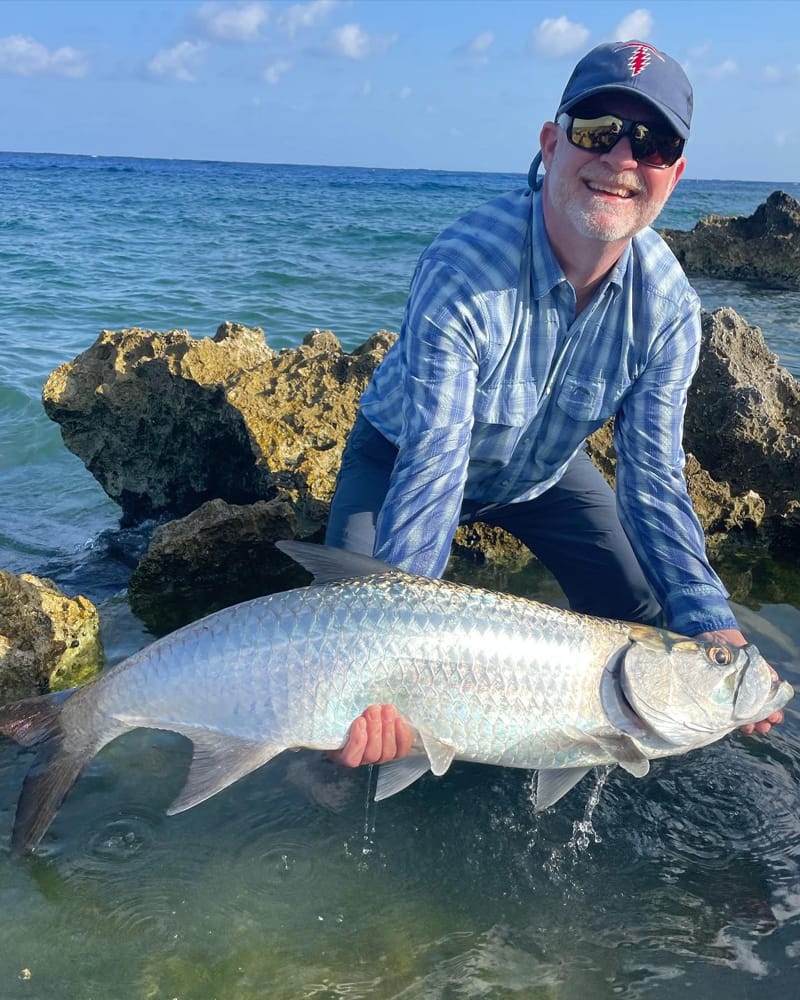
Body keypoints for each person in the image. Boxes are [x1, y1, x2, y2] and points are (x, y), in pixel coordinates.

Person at [324, 40, 784, 768]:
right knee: (344, 669)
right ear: (551, 141)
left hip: (541, 475)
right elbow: (435, 465)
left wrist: (712, 627)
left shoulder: (667, 310)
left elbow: (653, 484)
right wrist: (395, 653)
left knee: (642, 619)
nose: (622, 159)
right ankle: (323, 804)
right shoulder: (464, 267)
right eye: (599, 129)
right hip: (402, 458)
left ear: (675, 174)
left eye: (654, 143)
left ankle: (585, 769)